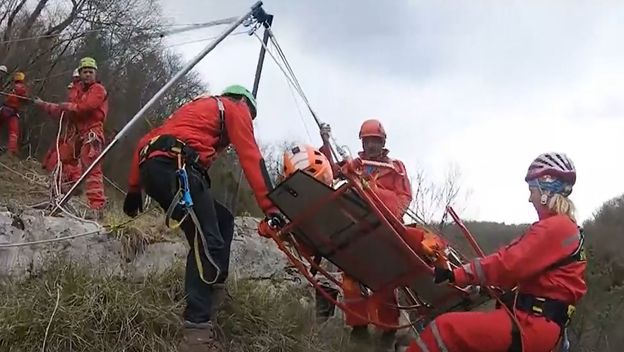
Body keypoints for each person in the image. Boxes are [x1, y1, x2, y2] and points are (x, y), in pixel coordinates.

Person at [122, 85, 280, 351]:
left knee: (223, 220)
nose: (247, 122)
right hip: (177, 168)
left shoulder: (194, 110)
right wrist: (271, 207)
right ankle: (196, 331)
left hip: (155, 167)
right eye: (250, 117)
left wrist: (134, 188)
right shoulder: (236, 108)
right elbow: (251, 156)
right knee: (207, 239)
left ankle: (213, 293)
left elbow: (144, 141)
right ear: (243, 103)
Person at [406, 152, 587, 352]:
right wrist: (484, 285)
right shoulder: (563, 229)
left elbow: (507, 264)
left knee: (444, 329)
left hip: (531, 325)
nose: (530, 198)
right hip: (540, 324)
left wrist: (456, 274)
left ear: (545, 191)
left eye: (532, 190)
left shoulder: (555, 228)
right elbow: (520, 267)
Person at [319, 119, 413, 348]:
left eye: (375, 141)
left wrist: (373, 191)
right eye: (367, 140)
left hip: (384, 230)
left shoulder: (395, 167)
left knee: (386, 280)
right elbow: (328, 172)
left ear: (383, 142)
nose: (371, 145)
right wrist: (326, 142)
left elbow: (403, 199)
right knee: (351, 277)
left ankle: (389, 331)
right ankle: (359, 326)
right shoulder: (356, 165)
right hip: (356, 229)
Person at [35, 57, 108, 219]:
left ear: (95, 73)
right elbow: (62, 110)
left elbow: (86, 107)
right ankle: (59, 195)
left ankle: (97, 207)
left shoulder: (98, 90)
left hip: (92, 133)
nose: (87, 74)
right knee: (61, 161)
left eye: (90, 72)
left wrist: (69, 106)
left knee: (92, 167)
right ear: (80, 74)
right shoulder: (77, 92)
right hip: (77, 134)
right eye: (85, 72)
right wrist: (43, 104)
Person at [41, 68, 83, 192]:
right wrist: (42, 104)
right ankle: (60, 183)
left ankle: (67, 185)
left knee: (68, 159)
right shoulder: (74, 96)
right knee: (57, 155)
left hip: (76, 136)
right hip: (67, 135)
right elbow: (58, 109)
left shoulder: (85, 96)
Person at [0, 71, 28, 155]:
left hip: (3, 109)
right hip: (12, 111)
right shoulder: (21, 87)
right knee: (14, 132)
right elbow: (25, 98)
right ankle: (11, 151)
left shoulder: (10, 86)